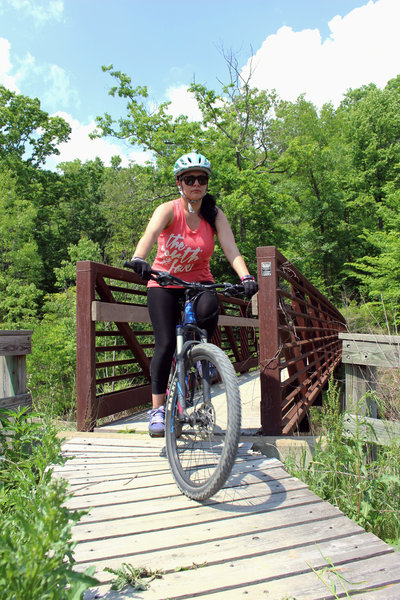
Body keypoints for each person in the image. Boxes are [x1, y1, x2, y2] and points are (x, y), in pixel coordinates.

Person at [129, 152, 258, 437]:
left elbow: (231, 248)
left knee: (210, 308)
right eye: (190, 179)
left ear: (206, 183)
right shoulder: (168, 210)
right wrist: (139, 258)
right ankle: (158, 409)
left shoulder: (214, 215)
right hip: (163, 282)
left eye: (201, 179)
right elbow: (148, 236)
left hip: (199, 283)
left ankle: (201, 358)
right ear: (179, 183)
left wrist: (246, 276)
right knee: (164, 344)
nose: (196, 184)